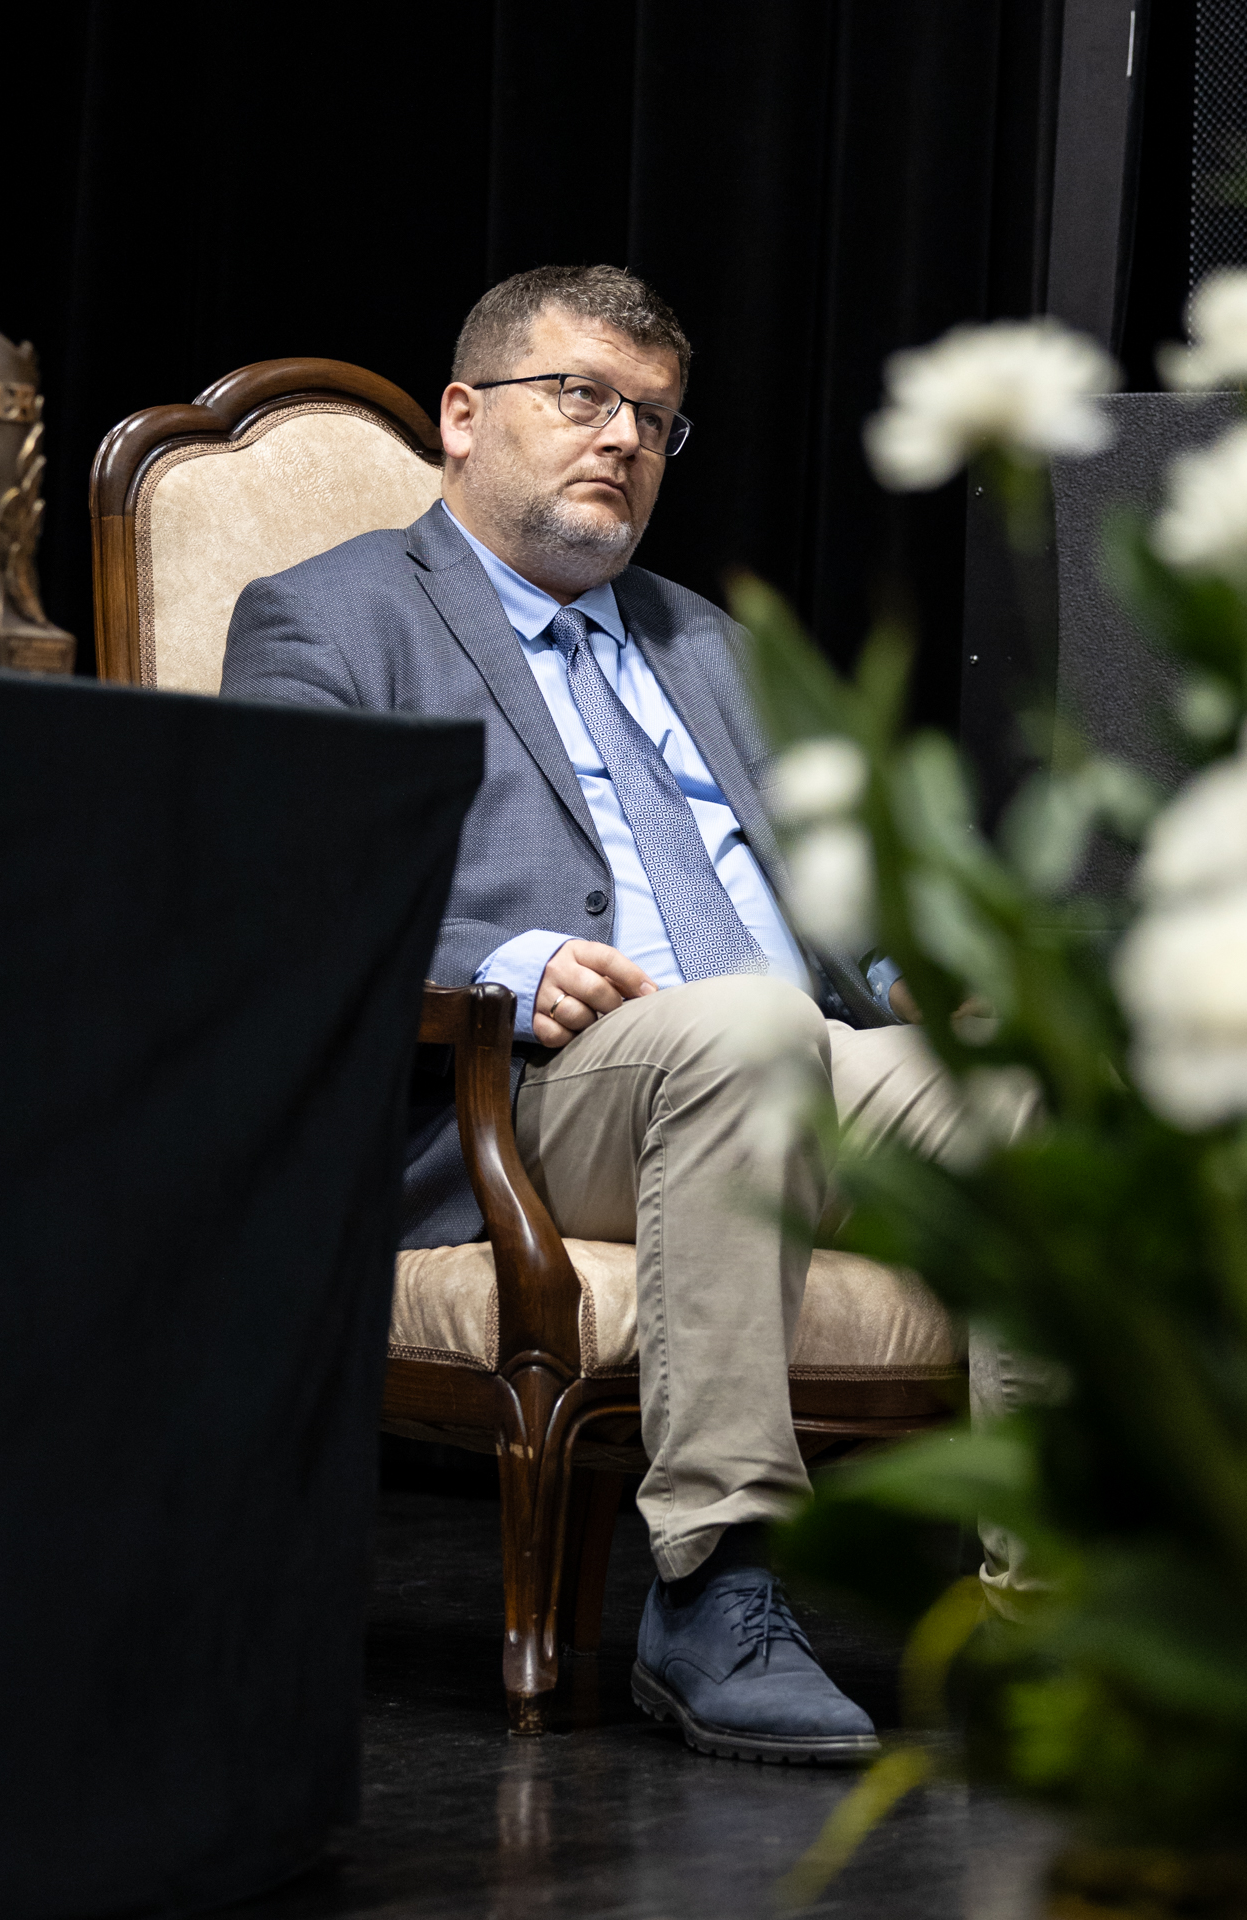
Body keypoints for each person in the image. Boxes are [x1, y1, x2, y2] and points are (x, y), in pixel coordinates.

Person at [222, 265, 1021, 1764]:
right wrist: (502, 964)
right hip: (530, 1100)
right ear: (465, 416)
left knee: (1039, 1086)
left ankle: (1053, 1620)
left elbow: (852, 886)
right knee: (746, 1034)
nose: (623, 439)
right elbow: (281, 903)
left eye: (654, 418)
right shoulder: (329, 617)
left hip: (796, 1066)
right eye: (581, 396)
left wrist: (933, 973)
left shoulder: (709, 643)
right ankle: (714, 1580)